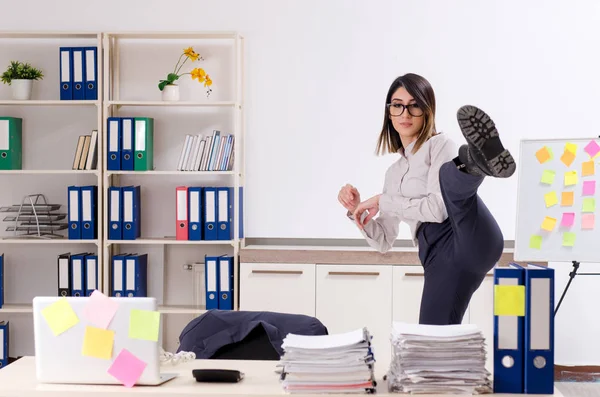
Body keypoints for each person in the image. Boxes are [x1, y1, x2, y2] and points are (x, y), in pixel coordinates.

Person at [338, 73, 515, 325]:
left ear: (427, 110)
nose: (405, 113)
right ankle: (476, 161)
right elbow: (384, 241)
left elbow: (438, 211)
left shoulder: (439, 145)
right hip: (438, 256)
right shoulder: (392, 174)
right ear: (389, 113)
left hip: (469, 232)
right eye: (397, 105)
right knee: (433, 336)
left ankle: (476, 162)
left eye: (414, 105)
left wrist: (383, 200)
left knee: (449, 178)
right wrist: (357, 210)